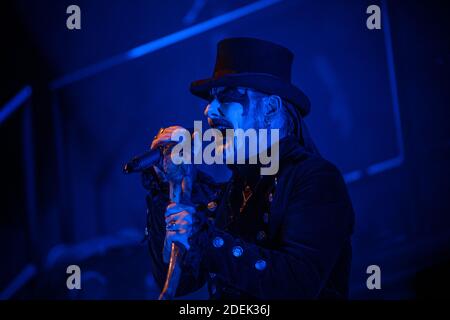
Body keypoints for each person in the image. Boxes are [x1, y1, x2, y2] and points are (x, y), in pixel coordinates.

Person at [142, 38, 355, 299]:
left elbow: (298, 283)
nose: (209, 109)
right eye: (211, 99)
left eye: (227, 95)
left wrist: (204, 238)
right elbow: (180, 280)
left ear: (270, 108)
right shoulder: (232, 193)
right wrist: (168, 187)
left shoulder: (315, 180)